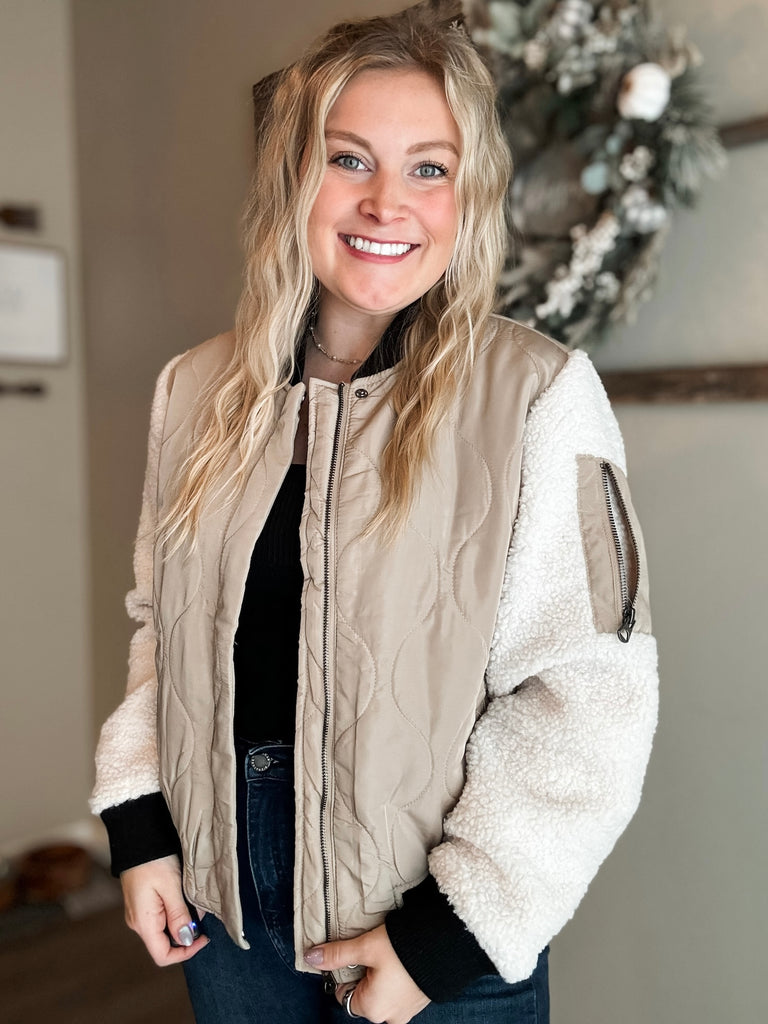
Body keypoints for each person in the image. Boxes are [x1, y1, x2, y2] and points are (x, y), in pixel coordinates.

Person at [90, 6, 658, 1024]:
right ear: (293, 177)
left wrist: (448, 935)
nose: (386, 201)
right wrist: (142, 829)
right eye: (348, 158)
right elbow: (158, 631)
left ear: (468, 194)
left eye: (428, 168)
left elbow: (587, 693)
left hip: (434, 934)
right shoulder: (194, 389)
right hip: (227, 920)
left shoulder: (537, 394)